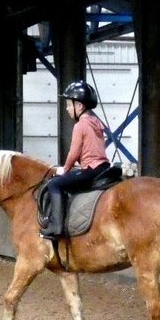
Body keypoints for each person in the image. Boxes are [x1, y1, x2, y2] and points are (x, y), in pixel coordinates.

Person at [39, 79, 111, 240]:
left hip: (91, 169)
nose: (67, 108)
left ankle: (56, 226)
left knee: (55, 184)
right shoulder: (96, 122)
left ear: (79, 106)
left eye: (69, 105)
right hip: (103, 167)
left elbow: (74, 152)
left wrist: (64, 169)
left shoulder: (80, 125)